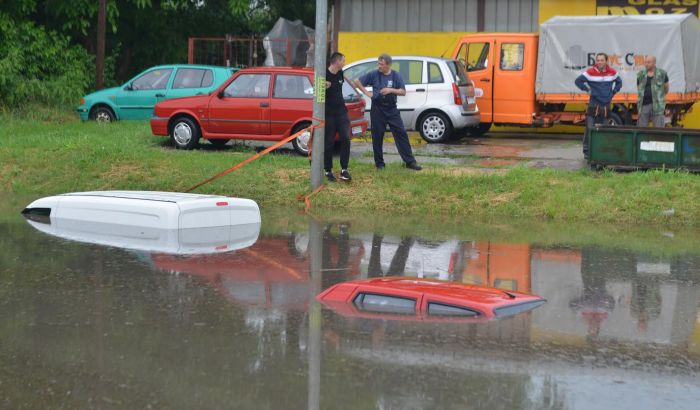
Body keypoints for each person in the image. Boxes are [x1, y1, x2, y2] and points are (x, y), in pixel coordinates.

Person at [353, 54, 422, 170]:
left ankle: (410, 162)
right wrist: (367, 93)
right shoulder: (373, 74)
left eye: (381, 64)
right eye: (378, 63)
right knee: (377, 136)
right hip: (377, 109)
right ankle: (379, 164)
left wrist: (390, 90)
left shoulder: (396, 76)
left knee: (401, 134)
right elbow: (356, 81)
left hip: (391, 109)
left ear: (388, 65)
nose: (379, 66)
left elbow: (403, 92)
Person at [575, 53, 622, 159]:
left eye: (602, 60)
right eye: (598, 60)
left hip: (606, 105)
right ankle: (587, 152)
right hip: (594, 104)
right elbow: (578, 81)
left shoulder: (612, 72)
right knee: (590, 128)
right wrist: (587, 90)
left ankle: (601, 150)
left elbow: (619, 83)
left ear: (606, 61)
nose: (599, 62)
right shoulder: (590, 72)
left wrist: (613, 92)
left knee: (603, 128)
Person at [324, 52, 352, 182]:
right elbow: (316, 92)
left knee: (346, 139)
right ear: (336, 62)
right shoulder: (324, 75)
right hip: (329, 114)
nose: (344, 63)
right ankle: (327, 170)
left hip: (342, 113)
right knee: (329, 142)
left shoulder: (341, 73)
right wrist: (323, 87)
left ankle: (344, 170)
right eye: (343, 61)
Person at [636, 55, 669, 128]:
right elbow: (639, 89)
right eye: (645, 62)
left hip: (658, 106)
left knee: (658, 130)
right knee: (641, 130)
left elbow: (666, 88)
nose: (646, 64)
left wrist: (660, 97)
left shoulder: (662, 74)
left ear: (654, 63)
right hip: (643, 106)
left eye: (648, 62)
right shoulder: (640, 74)